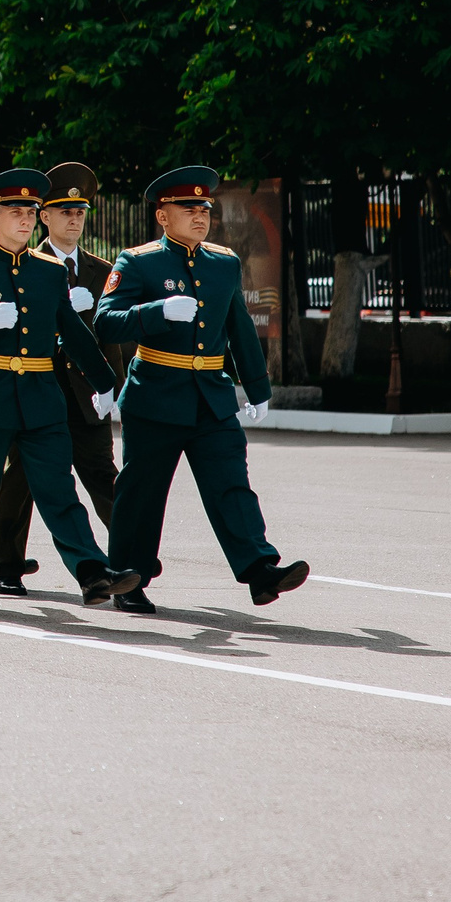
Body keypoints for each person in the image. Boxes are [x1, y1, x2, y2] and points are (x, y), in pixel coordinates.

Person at [95, 166, 308, 609]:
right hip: (155, 395)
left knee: (231, 483)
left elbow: (239, 326)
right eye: (188, 208)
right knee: (143, 494)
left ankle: (260, 570)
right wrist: (156, 312)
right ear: (162, 216)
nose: (199, 216)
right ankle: (129, 581)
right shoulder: (137, 261)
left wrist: (257, 386)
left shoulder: (224, 263)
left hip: (211, 395)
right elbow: (105, 322)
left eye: (204, 209)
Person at [0, 169, 136, 616]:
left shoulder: (49, 271)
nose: (24, 219)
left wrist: (105, 383)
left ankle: (92, 572)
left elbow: (73, 333)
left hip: (41, 396)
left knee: (59, 491)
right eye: (15, 211)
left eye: (29, 211)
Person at [0, 161, 122, 596]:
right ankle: (7, 563)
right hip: (37, 389)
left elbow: (113, 340)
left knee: (104, 479)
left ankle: (129, 562)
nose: (74, 220)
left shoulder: (103, 271)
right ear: (44, 216)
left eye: (80, 212)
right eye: (65, 212)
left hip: (86, 396)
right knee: (20, 482)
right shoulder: (25, 264)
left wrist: (112, 387)